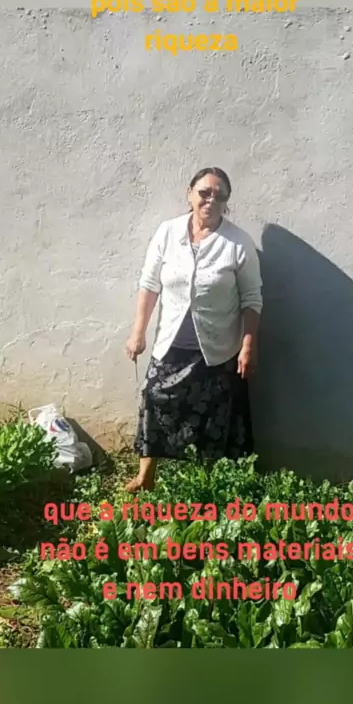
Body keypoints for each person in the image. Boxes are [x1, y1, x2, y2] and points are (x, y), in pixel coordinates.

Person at [125, 167, 263, 492]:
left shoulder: (237, 242)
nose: (211, 200)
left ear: (226, 202)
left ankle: (211, 484)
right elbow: (149, 284)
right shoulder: (168, 232)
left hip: (217, 349)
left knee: (216, 416)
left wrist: (248, 346)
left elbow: (252, 298)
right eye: (204, 192)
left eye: (220, 195)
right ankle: (146, 477)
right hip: (172, 343)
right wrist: (138, 332)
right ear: (189, 193)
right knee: (153, 396)